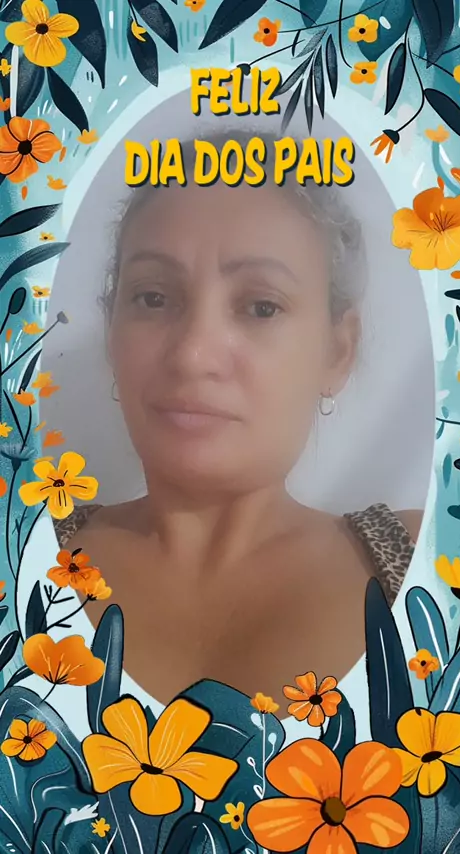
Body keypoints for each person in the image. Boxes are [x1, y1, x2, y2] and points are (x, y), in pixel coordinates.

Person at [52, 130, 422, 715]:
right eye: (153, 298)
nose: (193, 354)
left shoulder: (423, 563)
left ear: (336, 352)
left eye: (261, 307)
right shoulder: (22, 548)